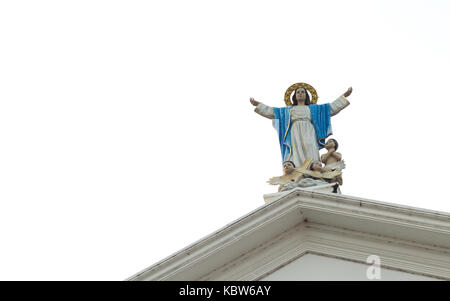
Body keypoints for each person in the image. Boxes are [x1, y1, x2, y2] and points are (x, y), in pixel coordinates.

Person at [250, 86, 352, 168]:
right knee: (296, 149)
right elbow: (273, 112)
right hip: (295, 131)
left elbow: (330, 108)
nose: (300, 93)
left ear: (306, 95)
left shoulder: (313, 109)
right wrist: (258, 104)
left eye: (302, 92)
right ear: (294, 96)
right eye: (298, 92)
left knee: (310, 146)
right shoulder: (288, 110)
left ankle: (313, 168)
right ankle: (299, 169)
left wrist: (344, 96)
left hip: (309, 129)